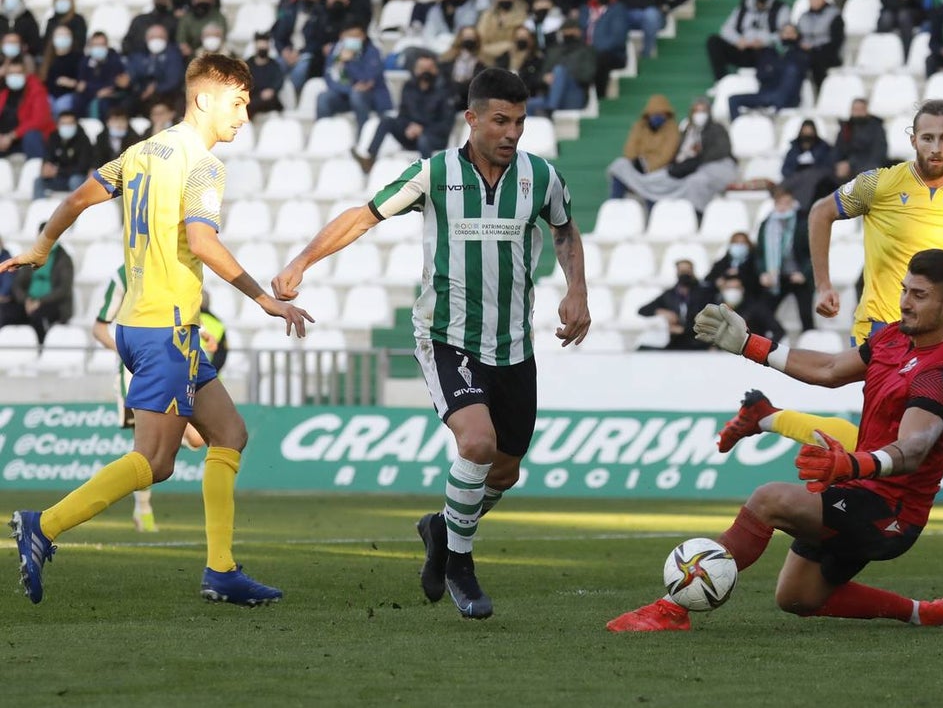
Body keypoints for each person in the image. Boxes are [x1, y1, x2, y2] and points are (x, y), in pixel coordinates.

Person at [718, 99, 943, 591]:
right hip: (881, 332)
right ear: (913, 138)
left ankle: (766, 415)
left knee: (886, 440)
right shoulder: (880, 183)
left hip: (927, 337)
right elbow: (822, 211)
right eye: (926, 137)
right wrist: (823, 283)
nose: (935, 147)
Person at [271, 68, 591, 619]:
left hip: (514, 344)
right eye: (499, 120)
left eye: (519, 121)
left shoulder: (541, 177)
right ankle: (460, 564)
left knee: (505, 472)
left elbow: (563, 230)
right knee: (476, 443)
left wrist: (577, 291)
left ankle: (441, 528)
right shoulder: (434, 174)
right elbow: (363, 217)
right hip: (448, 336)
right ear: (472, 119)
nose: (511, 132)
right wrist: (303, 260)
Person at [3, 53, 314, 606]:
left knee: (230, 435)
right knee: (155, 461)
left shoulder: (143, 152)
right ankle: (42, 525)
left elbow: (77, 198)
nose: (245, 116)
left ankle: (222, 570)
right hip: (165, 329)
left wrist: (41, 247)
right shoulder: (203, 165)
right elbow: (202, 241)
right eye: (238, 103)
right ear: (204, 99)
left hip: (146, 325)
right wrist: (263, 298)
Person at [607, 249, 943, 632]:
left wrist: (854, 464)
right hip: (859, 491)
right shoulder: (894, 337)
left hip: (890, 514)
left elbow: (914, 448)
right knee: (797, 597)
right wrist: (751, 345)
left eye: (919, 295)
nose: (905, 303)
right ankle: (921, 613)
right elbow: (830, 368)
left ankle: (669, 610)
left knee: (770, 499)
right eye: (904, 290)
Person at [92, 266, 215, 533]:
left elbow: (175, 306)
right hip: (136, 368)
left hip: (173, 358)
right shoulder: (123, 275)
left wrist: (202, 331)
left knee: (194, 437)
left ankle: (169, 436)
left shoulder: (168, 265)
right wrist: (128, 350)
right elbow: (99, 328)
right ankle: (143, 510)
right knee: (144, 448)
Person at [606, 97, 738, 220]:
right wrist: (637, 162)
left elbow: (721, 150)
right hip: (681, 167)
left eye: (703, 111)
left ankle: (696, 218)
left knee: (693, 182)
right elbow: (631, 148)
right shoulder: (688, 130)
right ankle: (615, 205)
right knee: (623, 166)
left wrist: (698, 158)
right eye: (697, 111)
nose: (700, 115)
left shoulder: (717, 129)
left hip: (712, 167)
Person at [353, 52, 454, 168]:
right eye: (422, 68)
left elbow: (446, 124)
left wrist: (422, 129)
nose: (425, 72)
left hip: (433, 137)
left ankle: (429, 175)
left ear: (436, 70)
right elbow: (403, 114)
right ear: (415, 70)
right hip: (410, 134)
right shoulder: (409, 87)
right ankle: (369, 159)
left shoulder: (445, 91)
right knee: (386, 120)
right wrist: (409, 127)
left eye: (429, 68)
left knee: (424, 139)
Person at [705, 0, 790, 81]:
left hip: (764, 51)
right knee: (713, 41)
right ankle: (722, 82)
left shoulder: (781, 8)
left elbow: (786, 34)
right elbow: (725, 29)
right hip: (743, 48)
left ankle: (765, 84)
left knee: (770, 53)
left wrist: (764, 41)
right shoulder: (744, 6)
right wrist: (738, 40)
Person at [756, 187, 814, 338]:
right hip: (777, 276)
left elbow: (813, 252)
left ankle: (810, 344)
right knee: (762, 309)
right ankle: (777, 334)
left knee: (806, 314)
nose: (782, 207)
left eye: (786, 202)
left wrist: (804, 273)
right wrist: (763, 272)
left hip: (798, 276)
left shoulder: (803, 222)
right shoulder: (766, 224)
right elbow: (760, 253)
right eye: (779, 203)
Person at [6, 222, 73, 343]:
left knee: (39, 317)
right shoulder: (32, 256)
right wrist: (26, 300)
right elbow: (17, 284)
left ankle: (41, 349)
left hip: (54, 305)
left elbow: (63, 289)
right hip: (29, 302)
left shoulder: (64, 259)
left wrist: (40, 302)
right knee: (6, 313)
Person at [316, 22, 390, 131]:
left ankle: (362, 137)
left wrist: (350, 62)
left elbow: (367, 79)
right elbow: (330, 79)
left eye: (357, 36)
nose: (354, 39)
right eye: (350, 36)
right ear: (342, 36)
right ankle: (323, 135)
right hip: (345, 94)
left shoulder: (372, 52)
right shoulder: (335, 52)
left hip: (371, 96)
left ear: (364, 36)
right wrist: (350, 89)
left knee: (357, 96)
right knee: (323, 98)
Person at [727, 23, 809, 117]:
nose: (788, 35)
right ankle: (738, 127)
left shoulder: (801, 53)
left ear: (797, 35)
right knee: (733, 100)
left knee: (791, 70)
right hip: (765, 95)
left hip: (788, 99)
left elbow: (797, 72)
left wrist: (772, 69)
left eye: (791, 32)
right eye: (785, 32)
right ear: (780, 35)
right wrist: (779, 69)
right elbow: (760, 75)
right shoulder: (768, 52)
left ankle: (773, 110)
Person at [608, 94, 679, 199]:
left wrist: (649, 167)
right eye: (655, 114)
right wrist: (636, 162)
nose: (657, 116)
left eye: (661, 114)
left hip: (659, 170)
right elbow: (630, 148)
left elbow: (667, 154)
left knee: (660, 178)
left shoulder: (672, 129)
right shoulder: (639, 126)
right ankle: (615, 202)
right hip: (639, 165)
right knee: (620, 165)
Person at [637, 259, 714, 350]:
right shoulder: (670, 294)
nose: (684, 274)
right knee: (642, 349)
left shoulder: (705, 293)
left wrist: (683, 330)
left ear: (692, 271)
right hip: (676, 342)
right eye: (682, 271)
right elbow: (643, 310)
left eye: (687, 270)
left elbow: (708, 320)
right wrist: (661, 311)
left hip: (698, 342)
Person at [527, 19, 597, 117]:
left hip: (574, 96)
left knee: (559, 71)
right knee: (525, 105)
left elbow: (587, 76)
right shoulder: (553, 51)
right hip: (550, 95)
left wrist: (563, 76)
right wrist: (545, 78)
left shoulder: (587, 51)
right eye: (565, 31)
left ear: (579, 32)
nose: (567, 33)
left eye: (571, 30)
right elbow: (541, 75)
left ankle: (551, 109)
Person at [272, 0, 327, 94]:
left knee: (302, 67)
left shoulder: (322, 14)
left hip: (308, 54)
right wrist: (283, 51)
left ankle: (294, 95)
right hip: (288, 52)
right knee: (276, 64)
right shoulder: (289, 11)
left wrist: (300, 52)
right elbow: (278, 36)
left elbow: (319, 41)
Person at [581, 0, 629, 99]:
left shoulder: (618, 9)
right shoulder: (585, 10)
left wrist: (594, 50)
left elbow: (618, 38)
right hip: (587, 52)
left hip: (611, 54)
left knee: (601, 59)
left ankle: (599, 96)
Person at [0, 57, 54, 159]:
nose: (15, 76)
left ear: (25, 73)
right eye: (11, 73)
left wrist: (12, 136)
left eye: (19, 73)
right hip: (4, 139)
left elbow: (40, 120)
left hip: (25, 138)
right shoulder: (4, 92)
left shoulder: (37, 90)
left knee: (31, 136)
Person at [795, 0, 844, 91]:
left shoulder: (834, 16)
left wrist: (814, 48)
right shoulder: (804, 17)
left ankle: (821, 92)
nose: (814, 0)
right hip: (805, 53)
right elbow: (798, 37)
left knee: (816, 60)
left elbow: (836, 41)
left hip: (826, 53)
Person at [34, 111, 93, 200]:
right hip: (60, 178)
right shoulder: (53, 137)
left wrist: (58, 171)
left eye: (70, 124)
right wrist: (46, 167)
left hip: (78, 178)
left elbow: (82, 167)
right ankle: (39, 209)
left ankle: (77, 210)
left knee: (75, 180)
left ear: (76, 124)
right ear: (58, 125)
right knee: (38, 182)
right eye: (64, 124)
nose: (67, 127)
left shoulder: (83, 139)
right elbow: (48, 157)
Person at [834, 97, 888, 176]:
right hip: (845, 167)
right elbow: (837, 150)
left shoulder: (876, 128)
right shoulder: (846, 128)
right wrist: (838, 164)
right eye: (855, 109)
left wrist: (851, 165)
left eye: (861, 109)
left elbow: (878, 153)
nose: (858, 112)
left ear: (866, 110)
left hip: (866, 167)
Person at [245, 32, 285, 117]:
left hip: (269, 100)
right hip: (252, 97)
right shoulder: (248, 65)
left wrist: (272, 90)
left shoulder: (274, 65)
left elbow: (279, 81)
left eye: (264, 46)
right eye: (260, 46)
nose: (262, 48)